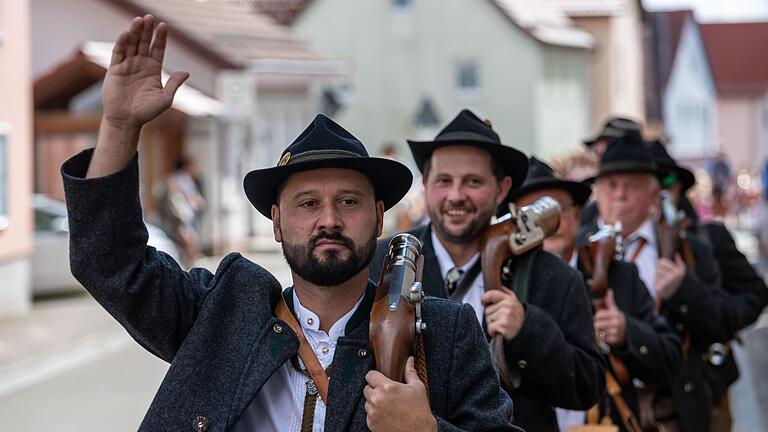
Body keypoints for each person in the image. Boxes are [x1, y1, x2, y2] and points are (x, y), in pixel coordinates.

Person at [61, 15, 516, 431]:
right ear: (276, 222)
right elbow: (109, 262)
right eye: (307, 204)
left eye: (349, 201)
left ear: (380, 217)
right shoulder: (223, 312)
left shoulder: (443, 332)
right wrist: (119, 126)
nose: (329, 220)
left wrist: (425, 430)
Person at [370, 109, 606, 431]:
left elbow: (587, 387)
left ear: (503, 188)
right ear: (426, 183)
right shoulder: (381, 263)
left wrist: (528, 330)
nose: (455, 196)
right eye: (443, 181)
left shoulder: (553, 276)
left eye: (473, 182)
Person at [507, 157, 682, 431]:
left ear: (578, 215)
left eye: (552, 211)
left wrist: (627, 332)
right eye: (529, 213)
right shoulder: (500, 284)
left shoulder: (619, 275)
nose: (543, 224)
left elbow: (669, 359)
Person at [584, 134, 726, 431]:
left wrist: (684, 290)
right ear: (597, 191)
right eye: (611, 185)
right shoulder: (577, 248)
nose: (619, 195)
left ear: (653, 195)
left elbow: (719, 323)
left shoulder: (688, 248)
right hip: (606, 408)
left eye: (631, 186)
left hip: (675, 403)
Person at [648, 139, 768, 432]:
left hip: (704, 390)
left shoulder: (708, 238)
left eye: (666, 181)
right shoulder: (605, 248)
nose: (658, 193)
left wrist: (714, 314)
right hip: (643, 403)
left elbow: (755, 295)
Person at [159, 156, 206, 267]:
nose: (197, 169)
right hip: (181, 216)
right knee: (188, 238)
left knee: (187, 239)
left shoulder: (185, 179)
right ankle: (191, 264)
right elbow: (181, 197)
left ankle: (189, 264)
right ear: (188, 166)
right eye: (194, 166)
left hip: (185, 215)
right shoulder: (180, 179)